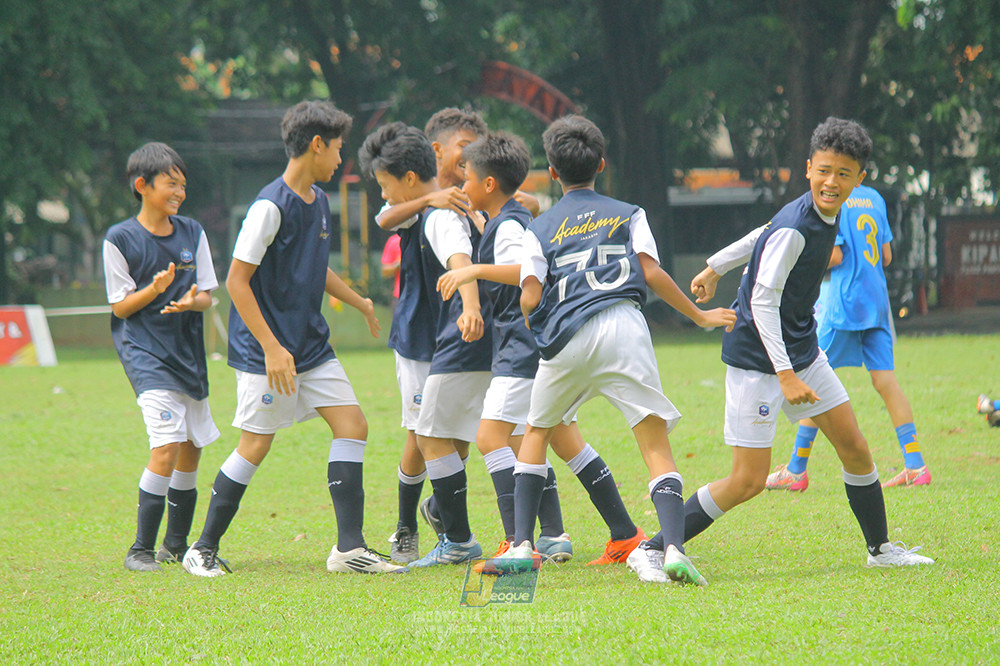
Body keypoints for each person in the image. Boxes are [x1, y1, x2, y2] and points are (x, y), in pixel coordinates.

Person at [486, 115, 736, 585]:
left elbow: (530, 295)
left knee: (536, 433)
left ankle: (522, 545)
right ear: (601, 163)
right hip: (624, 326)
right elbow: (651, 271)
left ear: (552, 173)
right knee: (654, 445)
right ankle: (674, 548)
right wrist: (700, 316)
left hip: (565, 334)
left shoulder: (538, 228)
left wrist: (537, 326)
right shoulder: (630, 212)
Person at [686, 117, 934, 568]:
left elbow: (760, 233)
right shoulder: (798, 225)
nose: (831, 181)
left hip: (801, 348)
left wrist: (714, 267)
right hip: (758, 358)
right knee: (748, 481)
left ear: (860, 178)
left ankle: (880, 551)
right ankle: (656, 544)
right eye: (823, 170)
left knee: (855, 448)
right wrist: (784, 375)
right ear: (808, 168)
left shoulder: (824, 213)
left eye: (843, 173)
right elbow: (762, 301)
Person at [182, 100, 402, 576]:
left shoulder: (318, 201)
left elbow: (316, 266)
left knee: (353, 425)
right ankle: (201, 548)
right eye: (338, 149)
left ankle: (348, 549)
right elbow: (236, 281)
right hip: (267, 350)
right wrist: (272, 348)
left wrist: (361, 300)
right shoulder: (268, 206)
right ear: (316, 144)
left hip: (310, 345)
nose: (341, 159)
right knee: (256, 445)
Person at [437, 131, 648, 567]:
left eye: (469, 179)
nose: (464, 188)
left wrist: (475, 268)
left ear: (489, 184)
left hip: (523, 348)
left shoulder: (510, 225)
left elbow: (525, 273)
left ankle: (519, 543)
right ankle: (623, 534)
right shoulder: (507, 219)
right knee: (566, 441)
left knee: (491, 436)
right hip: (537, 347)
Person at [103, 142, 220, 572]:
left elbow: (207, 294)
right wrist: (153, 289)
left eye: (182, 185)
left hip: (188, 355)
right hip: (146, 353)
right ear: (142, 185)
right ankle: (140, 549)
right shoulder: (120, 239)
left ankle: (176, 544)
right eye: (171, 184)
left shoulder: (193, 232)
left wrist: (193, 301)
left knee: (191, 449)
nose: (179, 193)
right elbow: (119, 306)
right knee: (167, 448)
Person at [766, 185, 930, 491]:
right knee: (886, 382)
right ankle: (915, 464)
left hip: (844, 304)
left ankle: (796, 470)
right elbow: (886, 255)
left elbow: (836, 255)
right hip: (877, 302)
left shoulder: (833, 200)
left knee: (813, 381)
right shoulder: (876, 198)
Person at [381, 233, 402, 312]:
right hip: (400, 296)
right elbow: (385, 271)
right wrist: (397, 264)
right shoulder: (394, 241)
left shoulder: (424, 237)